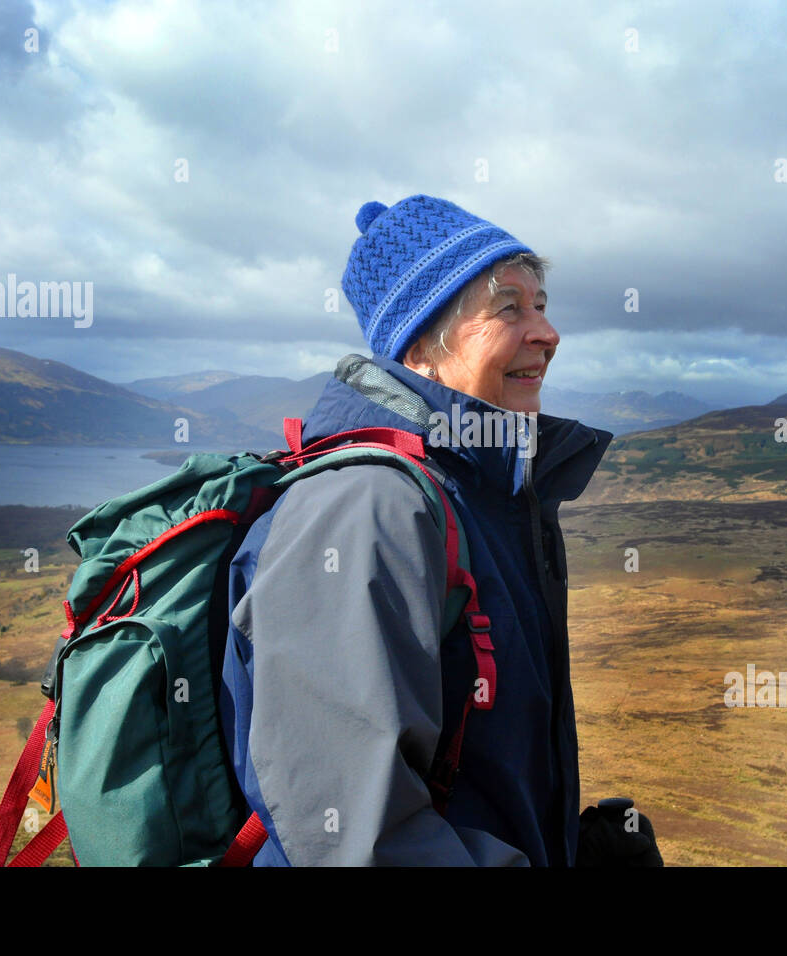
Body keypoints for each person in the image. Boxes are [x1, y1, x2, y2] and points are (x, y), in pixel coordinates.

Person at [220, 193, 655, 865]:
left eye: (540, 304)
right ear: (419, 345)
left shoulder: (487, 493)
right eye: (508, 307)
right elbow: (355, 840)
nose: (546, 332)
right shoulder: (368, 509)